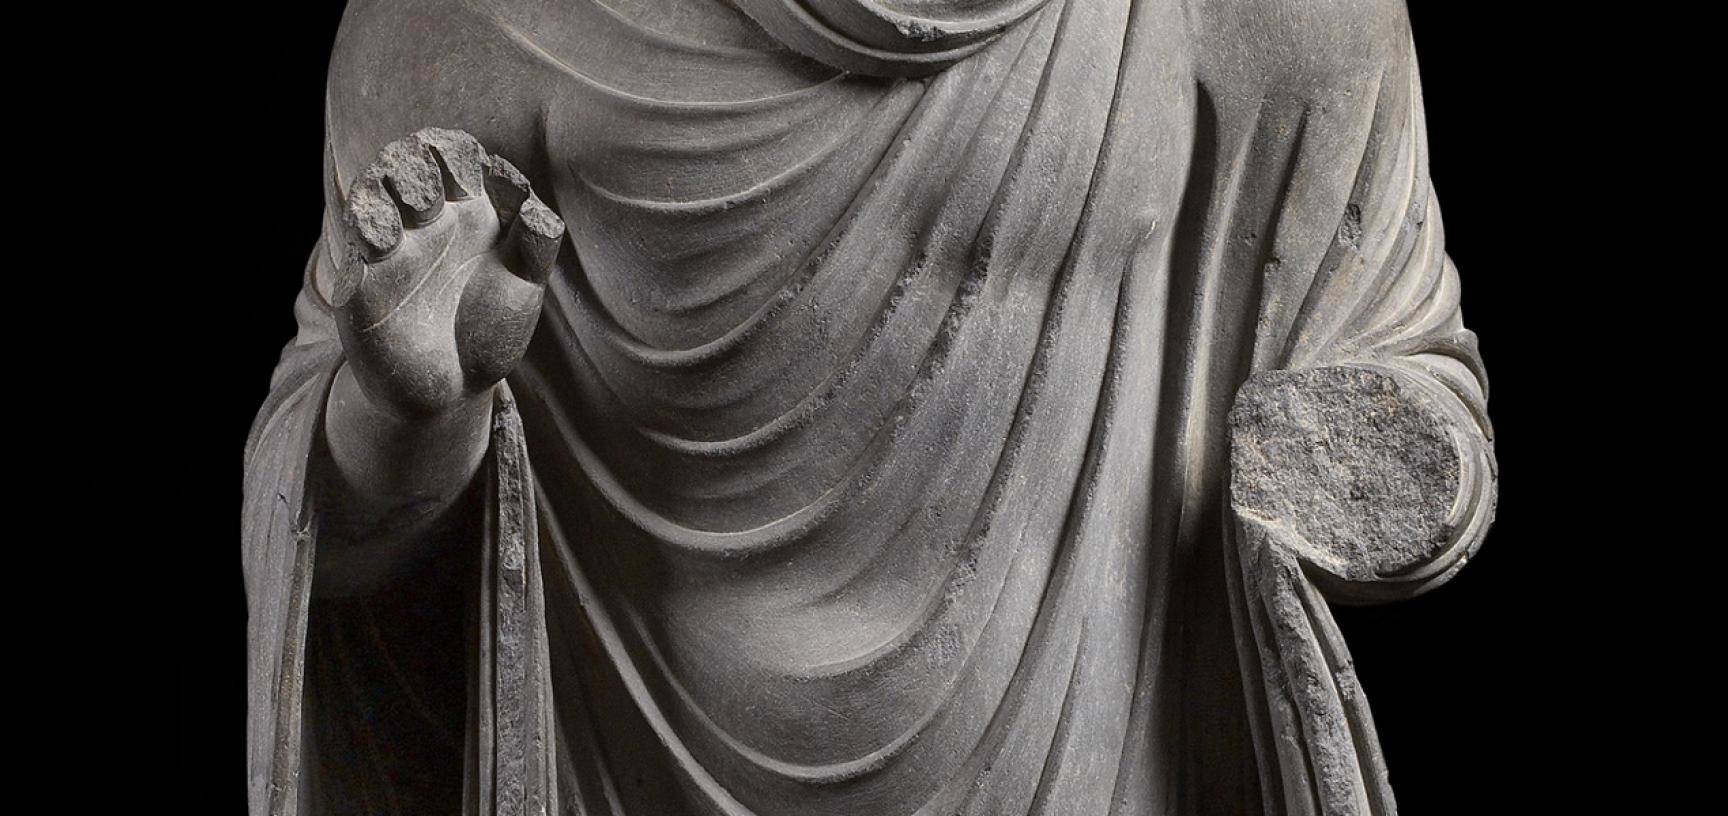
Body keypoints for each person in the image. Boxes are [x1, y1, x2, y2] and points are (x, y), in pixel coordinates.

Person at [244, 1, 1498, 813]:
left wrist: (1387, 457)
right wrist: (410, 409)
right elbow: (339, 558)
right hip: (638, 774)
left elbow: (1409, 365)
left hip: (1099, 778)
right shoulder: (480, 22)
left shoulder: (1268, 18)